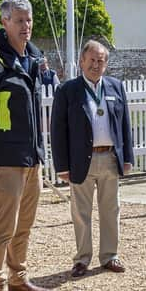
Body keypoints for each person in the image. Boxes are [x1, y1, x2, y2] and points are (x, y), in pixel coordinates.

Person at [0, 0, 51, 291]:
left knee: (25, 224)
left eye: (29, 20)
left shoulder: (32, 60)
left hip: (31, 156)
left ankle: (18, 277)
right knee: (3, 227)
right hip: (4, 158)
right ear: (4, 22)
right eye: (19, 20)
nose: (26, 26)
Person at [51, 39, 134, 277]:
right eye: (92, 60)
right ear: (81, 62)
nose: (96, 65)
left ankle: (110, 256)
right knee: (81, 212)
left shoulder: (116, 87)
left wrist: (127, 157)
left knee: (111, 209)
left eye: (101, 61)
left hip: (109, 157)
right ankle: (82, 259)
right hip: (81, 160)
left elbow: (124, 124)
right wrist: (62, 166)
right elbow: (58, 130)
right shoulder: (68, 90)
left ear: (106, 64)